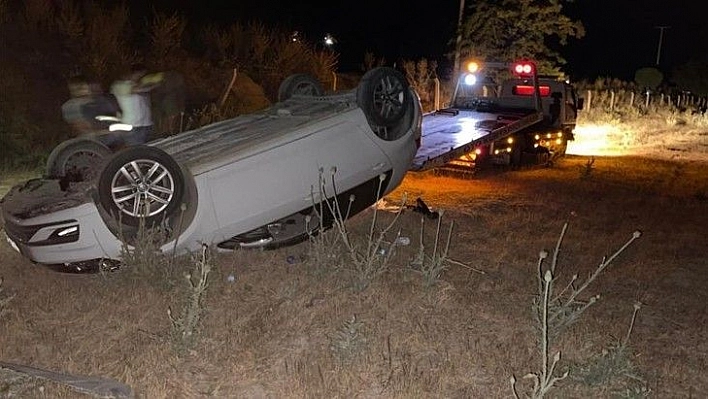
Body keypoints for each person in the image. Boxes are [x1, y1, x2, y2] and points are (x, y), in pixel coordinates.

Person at [110, 65, 158, 145]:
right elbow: (138, 89)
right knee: (137, 153)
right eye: (140, 74)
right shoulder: (119, 85)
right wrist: (155, 84)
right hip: (132, 126)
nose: (142, 77)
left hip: (146, 124)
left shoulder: (139, 84)